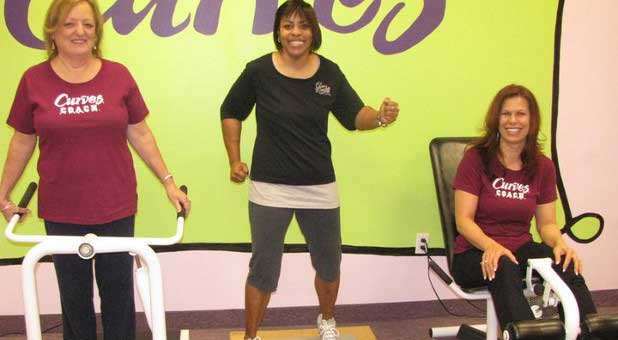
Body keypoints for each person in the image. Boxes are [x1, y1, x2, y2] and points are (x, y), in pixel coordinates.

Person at [0, 1, 191, 339]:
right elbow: (21, 141)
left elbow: (140, 132)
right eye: (71, 24)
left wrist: (169, 183)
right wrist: (3, 193)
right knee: (74, 300)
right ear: (53, 31)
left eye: (88, 25)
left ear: (97, 33)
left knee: (118, 294)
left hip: (114, 204)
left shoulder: (118, 75)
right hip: (62, 207)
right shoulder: (34, 80)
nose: (80, 32)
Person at [220, 1, 399, 339]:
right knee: (263, 269)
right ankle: (250, 335)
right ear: (278, 32)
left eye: (303, 26)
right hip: (269, 187)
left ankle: (327, 321)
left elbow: (355, 115)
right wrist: (234, 159)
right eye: (288, 26)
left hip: (319, 186)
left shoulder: (329, 73)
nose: (296, 33)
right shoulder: (258, 71)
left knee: (329, 264)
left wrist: (379, 117)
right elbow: (231, 110)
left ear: (313, 32)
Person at [452, 84, 597, 331]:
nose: (513, 120)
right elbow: (463, 221)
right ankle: (526, 334)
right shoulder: (475, 158)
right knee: (503, 263)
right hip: (473, 253)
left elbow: (547, 224)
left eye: (520, 114)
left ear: (532, 120)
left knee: (564, 261)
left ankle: (591, 330)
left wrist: (560, 244)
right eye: (506, 113)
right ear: (496, 119)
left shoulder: (543, 166)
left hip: (520, 249)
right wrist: (492, 246)